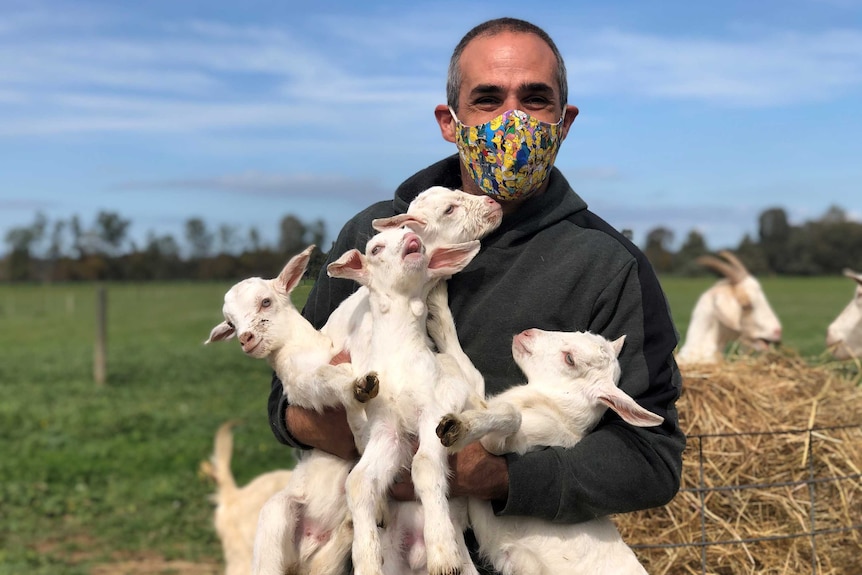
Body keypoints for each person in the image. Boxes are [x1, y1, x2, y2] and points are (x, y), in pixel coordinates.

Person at [268, 16, 685, 573]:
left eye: (535, 100)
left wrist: (499, 476)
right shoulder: (376, 237)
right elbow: (287, 397)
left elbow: (650, 459)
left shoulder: (609, 266)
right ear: (450, 120)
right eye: (487, 100)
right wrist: (374, 438)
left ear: (564, 122)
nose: (512, 119)